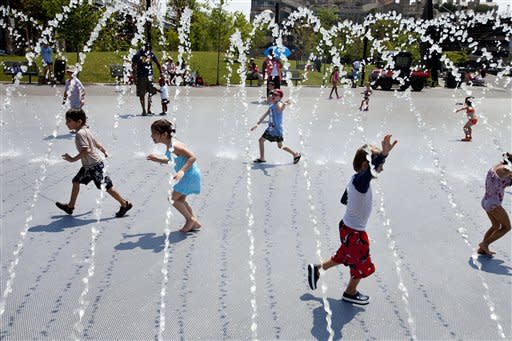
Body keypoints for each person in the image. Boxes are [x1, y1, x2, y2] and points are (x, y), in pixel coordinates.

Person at [307, 135, 398, 305]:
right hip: (355, 232)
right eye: (380, 166)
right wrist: (383, 155)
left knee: (345, 255)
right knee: (361, 263)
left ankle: (317, 269)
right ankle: (350, 292)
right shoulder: (361, 181)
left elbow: (344, 199)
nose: (382, 169)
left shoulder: (354, 180)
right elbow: (369, 173)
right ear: (366, 166)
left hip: (347, 228)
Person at [56, 109, 133, 217]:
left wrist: (72, 159)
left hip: (94, 167)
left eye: (69, 121)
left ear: (78, 121)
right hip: (88, 166)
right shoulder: (86, 130)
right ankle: (70, 207)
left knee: (107, 187)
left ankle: (124, 204)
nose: (66, 123)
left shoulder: (80, 134)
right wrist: (103, 150)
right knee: (76, 181)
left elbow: (85, 150)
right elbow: (95, 143)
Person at [147, 119, 202, 233]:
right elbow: (173, 161)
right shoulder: (170, 145)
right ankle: (195, 222)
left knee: (172, 199)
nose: (151, 136)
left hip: (189, 175)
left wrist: (181, 171)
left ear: (164, 134)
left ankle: (190, 219)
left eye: (154, 133)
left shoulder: (175, 145)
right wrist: (157, 159)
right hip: (188, 175)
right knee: (180, 199)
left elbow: (192, 157)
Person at [250, 89, 301, 164]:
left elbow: (280, 110)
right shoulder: (271, 105)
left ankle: (295, 154)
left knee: (280, 146)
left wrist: (285, 104)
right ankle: (262, 158)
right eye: (272, 94)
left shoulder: (278, 104)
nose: (273, 96)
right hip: (270, 129)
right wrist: (257, 124)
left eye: (275, 95)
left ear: (280, 98)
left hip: (277, 130)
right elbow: (264, 115)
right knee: (261, 140)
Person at [478, 153, 512, 257]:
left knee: (496, 225)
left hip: (486, 201)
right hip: (494, 204)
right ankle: (485, 244)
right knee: (507, 227)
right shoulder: (506, 170)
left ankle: (482, 249)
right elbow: (508, 172)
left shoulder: (498, 166)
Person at [131, 43, 162, 116]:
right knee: (142, 94)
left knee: (150, 93)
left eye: (149, 48)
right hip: (141, 76)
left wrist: (161, 73)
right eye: (147, 48)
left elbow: (158, 63)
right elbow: (133, 64)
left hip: (149, 76)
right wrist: (134, 76)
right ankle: (144, 110)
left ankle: (148, 110)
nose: (148, 49)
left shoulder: (151, 54)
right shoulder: (139, 54)